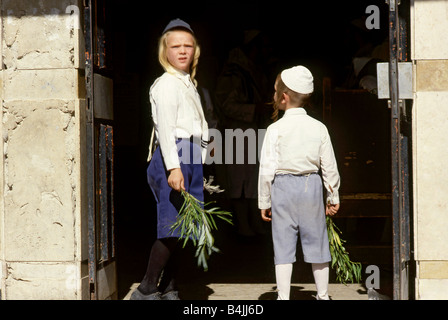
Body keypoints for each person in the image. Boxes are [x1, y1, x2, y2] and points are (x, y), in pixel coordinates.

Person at [130, 18, 208, 300]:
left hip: (188, 156)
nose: (183, 51)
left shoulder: (187, 83)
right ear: (165, 52)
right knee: (172, 225)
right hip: (174, 157)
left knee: (186, 228)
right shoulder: (166, 84)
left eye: (188, 45)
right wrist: (175, 168)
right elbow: (165, 128)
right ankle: (147, 288)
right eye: (176, 46)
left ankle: (170, 287)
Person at [258, 66, 340, 300]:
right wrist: (333, 196)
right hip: (311, 187)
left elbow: (266, 169)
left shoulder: (275, 129)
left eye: (275, 92)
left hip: (282, 189)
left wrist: (264, 199)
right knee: (318, 241)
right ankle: (323, 295)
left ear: (283, 97)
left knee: (283, 245)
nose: (273, 96)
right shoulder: (319, 128)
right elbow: (329, 166)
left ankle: (283, 297)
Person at [215, 29, 273, 239]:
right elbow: (226, 104)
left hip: (254, 131)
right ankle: (242, 224)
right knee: (238, 180)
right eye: (263, 46)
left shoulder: (254, 71)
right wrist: (254, 109)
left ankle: (254, 221)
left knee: (254, 178)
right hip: (237, 132)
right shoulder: (234, 73)